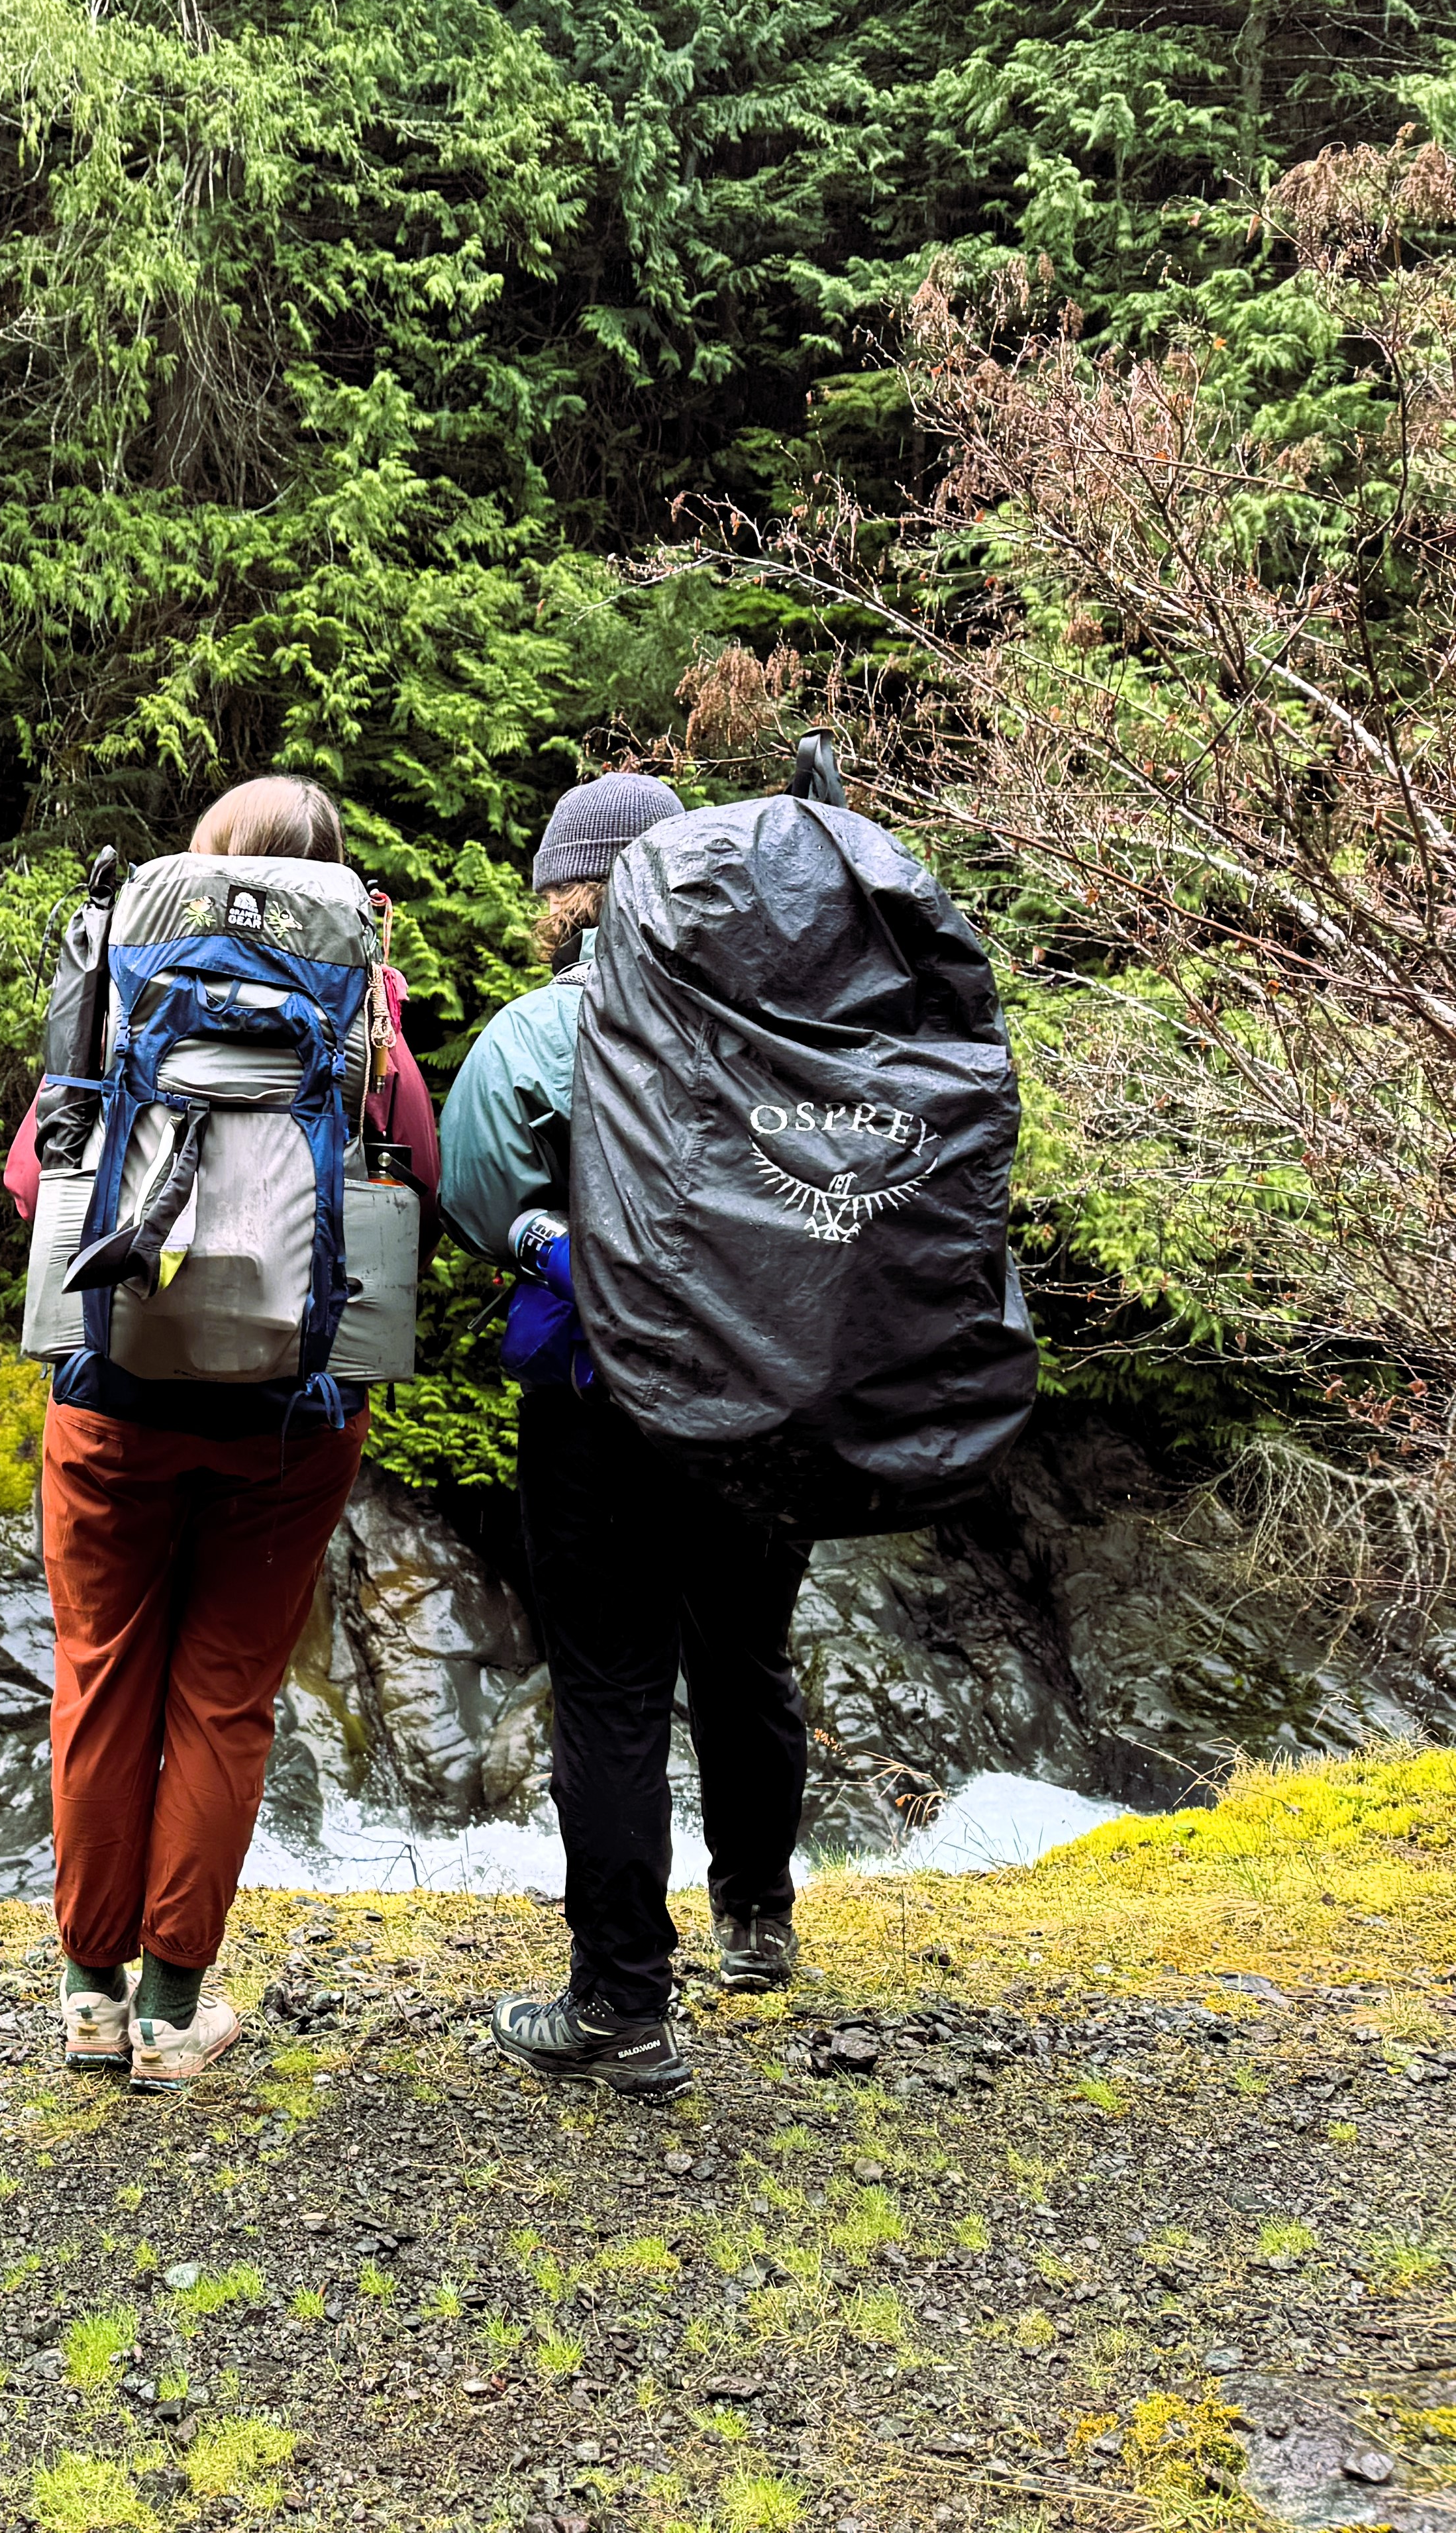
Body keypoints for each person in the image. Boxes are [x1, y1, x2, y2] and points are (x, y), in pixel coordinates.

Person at [16, 776, 440, 2093]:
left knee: (99, 1675)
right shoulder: (357, 1004)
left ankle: (89, 2000)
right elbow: (417, 1180)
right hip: (289, 1418)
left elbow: (37, 1178)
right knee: (223, 1697)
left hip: (114, 1393)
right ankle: (171, 2015)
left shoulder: (130, 976)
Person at [437, 772, 814, 2100]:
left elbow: (476, 1198)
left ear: (585, 891)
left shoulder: (543, 1033)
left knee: (608, 1693)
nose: (542, 908)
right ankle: (759, 1918)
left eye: (553, 886)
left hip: (604, 1406)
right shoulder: (787, 1011)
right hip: (768, 1403)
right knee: (749, 1653)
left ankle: (623, 2007)